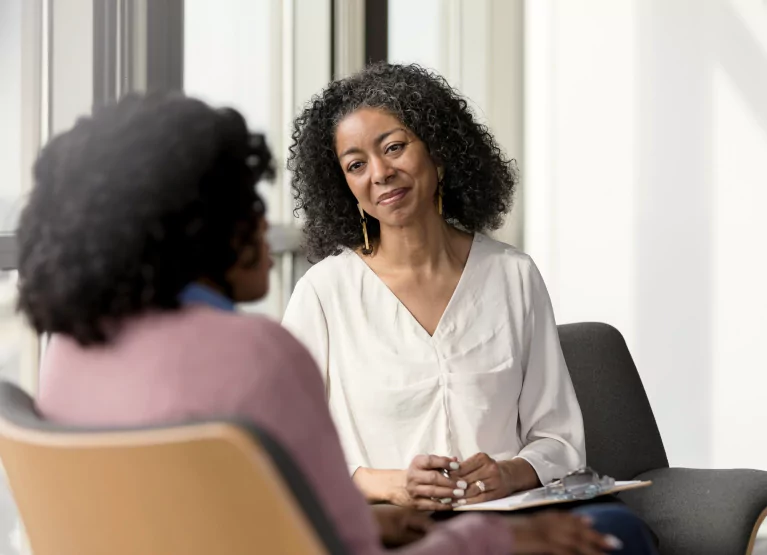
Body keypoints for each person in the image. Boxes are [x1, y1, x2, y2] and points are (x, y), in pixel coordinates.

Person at [17, 92, 623, 554]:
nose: (263, 227)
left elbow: (264, 518)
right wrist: (506, 539)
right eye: (248, 206)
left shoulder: (68, 355)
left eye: (393, 148)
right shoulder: (257, 354)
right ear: (197, 229)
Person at [283, 62, 657, 552]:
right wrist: (389, 484)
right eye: (356, 164)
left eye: (394, 147)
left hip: (511, 516)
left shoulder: (512, 275)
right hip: (395, 526)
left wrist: (510, 472)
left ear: (438, 153)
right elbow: (287, 451)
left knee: (618, 530)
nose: (380, 173)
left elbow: (558, 438)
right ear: (344, 187)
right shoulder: (323, 294)